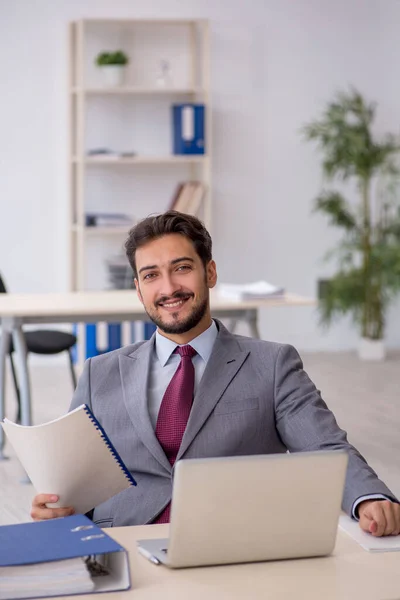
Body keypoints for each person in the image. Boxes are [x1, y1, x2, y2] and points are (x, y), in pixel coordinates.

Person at [31, 211, 400, 536]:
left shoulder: (271, 365)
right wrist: (55, 508)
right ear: (139, 290)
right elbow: (72, 481)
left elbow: (324, 446)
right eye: (151, 275)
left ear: (210, 272)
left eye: (182, 268)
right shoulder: (100, 373)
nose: (169, 288)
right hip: (125, 543)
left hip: (232, 544)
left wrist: (368, 498)